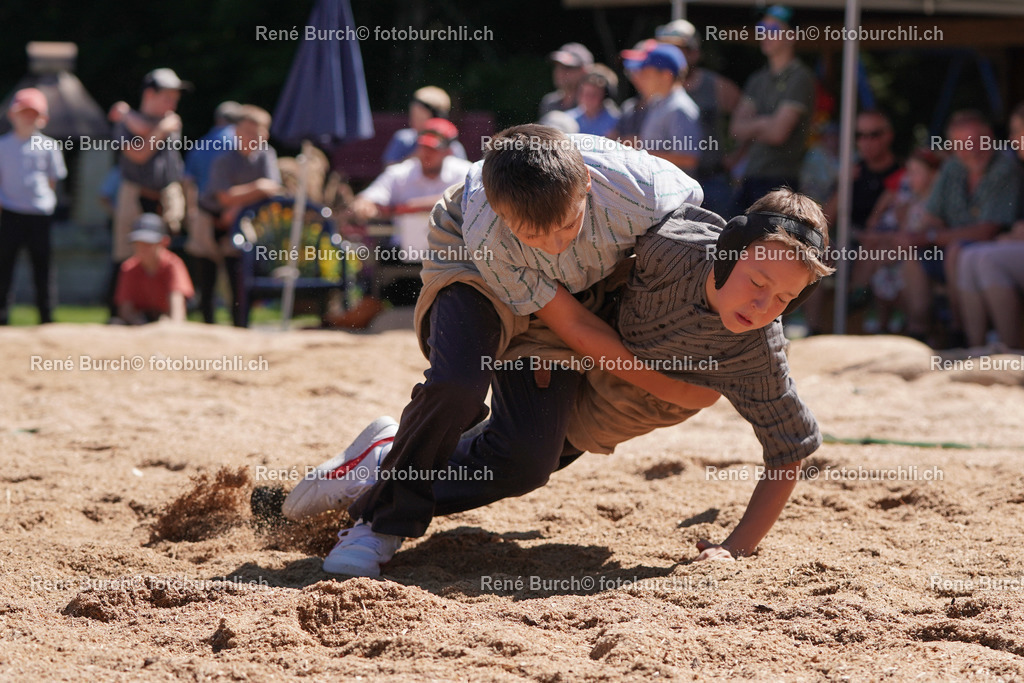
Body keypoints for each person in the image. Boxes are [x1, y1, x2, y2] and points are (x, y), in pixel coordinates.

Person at [283, 188, 833, 574]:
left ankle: (384, 458)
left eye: (784, 298)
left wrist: (736, 549)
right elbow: (578, 235)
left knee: (516, 463)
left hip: (599, 416)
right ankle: (380, 498)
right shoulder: (674, 242)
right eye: (757, 281)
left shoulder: (758, 350)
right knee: (520, 457)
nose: (764, 305)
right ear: (729, 251)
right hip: (566, 340)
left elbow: (788, 450)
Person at [327, 119, 473, 329]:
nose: (426, 153)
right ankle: (362, 314)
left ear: (448, 151)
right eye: (423, 147)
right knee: (376, 268)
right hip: (404, 254)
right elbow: (367, 199)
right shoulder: (401, 173)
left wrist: (410, 207)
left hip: (451, 253)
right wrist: (366, 205)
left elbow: (473, 201)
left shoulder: (465, 172)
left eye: (433, 148)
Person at [899, 110, 1019, 346]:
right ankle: (918, 331)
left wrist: (934, 235)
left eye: (977, 141)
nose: (972, 150)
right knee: (912, 248)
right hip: (957, 247)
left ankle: (961, 335)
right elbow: (931, 216)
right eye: (963, 144)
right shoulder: (953, 168)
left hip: (984, 248)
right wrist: (929, 233)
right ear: (952, 146)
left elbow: (988, 230)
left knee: (959, 252)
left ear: (991, 138)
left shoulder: (1005, 169)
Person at [107, 68, 191, 316]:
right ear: (149, 94)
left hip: (165, 194)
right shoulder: (153, 124)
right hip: (134, 193)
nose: (173, 102)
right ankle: (120, 312)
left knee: (170, 250)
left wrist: (126, 116)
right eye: (168, 96)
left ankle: (175, 311)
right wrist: (158, 130)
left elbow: (144, 134)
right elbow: (139, 154)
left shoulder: (171, 120)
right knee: (125, 252)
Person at [196, 105, 282, 326]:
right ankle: (208, 325)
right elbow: (224, 197)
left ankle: (240, 325)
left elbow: (273, 189)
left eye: (255, 133)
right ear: (236, 132)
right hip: (210, 219)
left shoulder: (266, 155)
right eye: (245, 132)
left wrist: (240, 204)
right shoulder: (224, 159)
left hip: (239, 219)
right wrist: (257, 187)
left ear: (265, 135)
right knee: (208, 276)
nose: (249, 138)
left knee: (239, 275)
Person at [729, 5, 815, 213]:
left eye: (774, 29)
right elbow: (735, 129)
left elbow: (778, 134)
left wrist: (755, 123)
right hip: (751, 178)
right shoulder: (757, 79)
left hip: (781, 182)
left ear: (792, 36)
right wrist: (765, 123)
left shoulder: (800, 77)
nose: (765, 34)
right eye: (761, 28)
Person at [656, 19, 742, 217]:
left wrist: (736, 157)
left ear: (694, 53)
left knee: (721, 244)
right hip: (672, 184)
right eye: (668, 49)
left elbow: (747, 113)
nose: (674, 55)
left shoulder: (715, 85)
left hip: (713, 182)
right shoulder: (658, 87)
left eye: (680, 49)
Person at [957, 103, 1024, 349]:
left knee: (987, 259)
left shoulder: (1007, 169)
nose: (1012, 139)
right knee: (969, 255)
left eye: (1018, 131)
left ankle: (1013, 353)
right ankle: (976, 349)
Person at [0, 88, 66, 325]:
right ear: (12, 115)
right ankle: (2, 318)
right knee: (4, 267)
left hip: (39, 215)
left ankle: (46, 318)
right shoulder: (3, 146)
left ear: (43, 118)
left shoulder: (49, 146)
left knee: (43, 269)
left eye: (33, 113)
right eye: (23, 112)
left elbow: (52, 181)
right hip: (9, 214)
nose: (28, 118)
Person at [626, 43, 702, 173]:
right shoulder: (658, 102)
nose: (640, 78)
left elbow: (689, 158)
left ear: (666, 76)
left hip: (673, 191)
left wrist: (638, 156)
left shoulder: (679, 108)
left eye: (646, 73)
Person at [113, 213, 194, 325]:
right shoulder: (129, 267)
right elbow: (125, 310)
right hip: (140, 319)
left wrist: (169, 324)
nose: (142, 249)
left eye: (147, 244)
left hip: (165, 318)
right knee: (115, 323)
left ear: (164, 242)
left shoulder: (172, 265)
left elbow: (177, 308)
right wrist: (138, 321)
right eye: (138, 243)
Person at [381, 86, 467, 166]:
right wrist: (416, 156)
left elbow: (463, 177)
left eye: (418, 116)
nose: (411, 120)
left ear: (436, 118)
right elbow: (387, 171)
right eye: (412, 115)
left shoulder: (453, 147)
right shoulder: (403, 139)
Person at [538, 43, 594, 118]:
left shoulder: (596, 104)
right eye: (557, 66)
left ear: (585, 71)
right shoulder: (549, 103)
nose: (559, 72)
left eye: (567, 67)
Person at [567, 68, 619, 137]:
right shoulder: (568, 118)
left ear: (604, 96)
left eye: (594, 95)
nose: (588, 99)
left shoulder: (615, 120)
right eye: (585, 94)